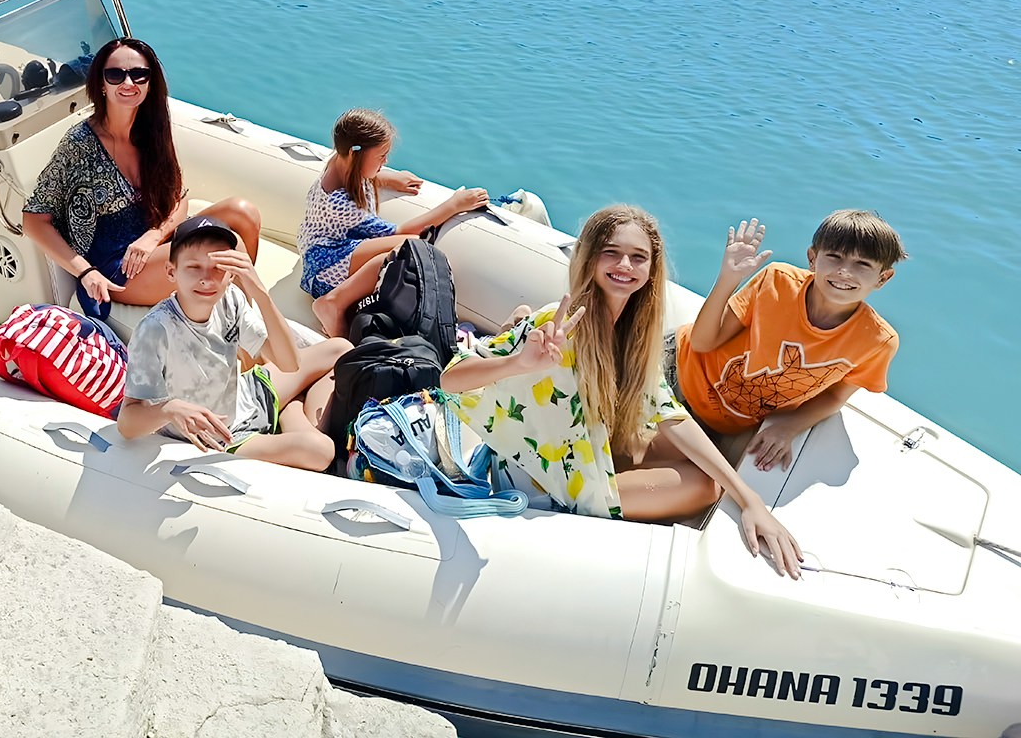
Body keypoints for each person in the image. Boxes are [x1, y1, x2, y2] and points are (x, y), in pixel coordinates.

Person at [440, 205, 802, 578]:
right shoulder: (559, 323)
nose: (625, 264)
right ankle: (591, 514)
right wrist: (519, 364)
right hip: (546, 477)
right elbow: (450, 381)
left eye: (637, 257)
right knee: (705, 487)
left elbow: (669, 415)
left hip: (582, 446)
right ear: (590, 257)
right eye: (611, 252)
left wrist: (750, 500)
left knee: (678, 444)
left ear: (650, 269)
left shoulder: (631, 334)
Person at [22, 37, 262, 313]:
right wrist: (85, 272)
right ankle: (252, 338)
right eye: (115, 75)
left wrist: (153, 237)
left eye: (138, 74)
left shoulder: (151, 131)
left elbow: (179, 197)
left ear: (150, 82)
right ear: (100, 84)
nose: (128, 83)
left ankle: (241, 317)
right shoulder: (79, 144)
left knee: (243, 212)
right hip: (116, 267)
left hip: (155, 242)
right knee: (224, 247)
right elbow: (33, 220)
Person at [668, 211, 903, 473]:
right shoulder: (777, 281)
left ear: (883, 278)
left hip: (733, 424)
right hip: (677, 372)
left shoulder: (877, 341)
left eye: (862, 264)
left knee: (707, 485)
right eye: (834, 257)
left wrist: (789, 427)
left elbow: (836, 395)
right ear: (813, 259)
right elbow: (702, 343)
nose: (844, 271)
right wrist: (728, 279)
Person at [117, 216, 349, 471]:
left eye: (218, 267)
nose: (207, 279)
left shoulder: (231, 299)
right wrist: (168, 409)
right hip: (224, 436)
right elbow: (127, 422)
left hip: (246, 395)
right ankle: (292, 412)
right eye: (194, 267)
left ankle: (289, 410)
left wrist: (260, 293)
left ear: (230, 273)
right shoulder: (156, 329)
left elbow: (289, 363)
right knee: (320, 450)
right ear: (171, 272)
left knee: (341, 350)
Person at [299, 108, 491, 337]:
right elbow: (401, 232)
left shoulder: (340, 162)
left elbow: (358, 174)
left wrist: (388, 178)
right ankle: (333, 302)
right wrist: (454, 205)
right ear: (355, 153)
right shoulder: (340, 203)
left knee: (406, 246)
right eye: (381, 156)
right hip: (323, 266)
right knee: (409, 245)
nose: (386, 161)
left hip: (328, 249)